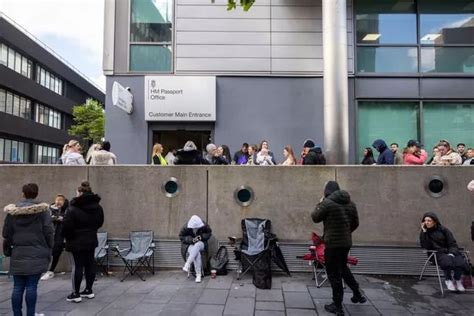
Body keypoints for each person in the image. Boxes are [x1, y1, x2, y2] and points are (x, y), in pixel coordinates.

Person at [311, 181, 365, 315]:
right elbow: (356, 223)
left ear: (327, 191)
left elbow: (315, 217)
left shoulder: (327, 203)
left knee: (334, 274)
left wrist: (320, 203)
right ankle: (357, 293)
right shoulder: (351, 204)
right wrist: (346, 233)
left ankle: (337, 305)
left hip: (332, 245)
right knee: (343, 268)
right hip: (346, 243)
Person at [2, 183, 54, 316]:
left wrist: (8, 250)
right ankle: (31, 314)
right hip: (37, 252)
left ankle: (17, 314)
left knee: (17, 287)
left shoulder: (12, 213)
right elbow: (48, 232)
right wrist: (50, 246)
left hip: (18, 252)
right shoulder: (43, 212)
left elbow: (6, 234)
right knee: (32, 286)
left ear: (23, 193)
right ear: (36, 194)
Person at [63, 181, 104, 303]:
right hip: (91, 238)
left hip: (75, 240)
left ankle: (75, 293)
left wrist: (67, 237)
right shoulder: (98, 207)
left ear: (80, 193)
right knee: (90, 264)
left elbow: (67, 226)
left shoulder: (73, 208)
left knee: (77, 266)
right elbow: (100, 222)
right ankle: (88, 290)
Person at [419, 212, 467, 292]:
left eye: (429, 220)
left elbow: (452, 243)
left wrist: (452, 252)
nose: (426, 222)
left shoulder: (444, 230)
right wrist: (424, 232)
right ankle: (448, 280)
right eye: (425, 220)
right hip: (436, 253)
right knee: (447, 262)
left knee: (460, 263)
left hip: (450, 251)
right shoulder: (424, 232)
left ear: (435, 221)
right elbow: (426, 246)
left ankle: (457, 280)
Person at [41, 194, 69, 281]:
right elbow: (45, 220)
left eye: (61, 200)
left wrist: (62, 219)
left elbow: (68, 219)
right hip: (50, 234)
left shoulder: (67, 209)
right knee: (46, 252)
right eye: (57, 199)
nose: (58, 201)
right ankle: (44, 270)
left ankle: (51, 270)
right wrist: (53, 218)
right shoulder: (50, 209)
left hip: (60, 235)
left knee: (56, 252)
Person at [179, 215, 212, 283]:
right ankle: (198, 275)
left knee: (197, 245)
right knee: (197, 254)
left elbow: (209, 233)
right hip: (189, 245)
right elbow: (181, 237)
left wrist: (201, 237)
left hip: (201, 243)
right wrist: (191, 240)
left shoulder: (204, 225)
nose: (196, 228)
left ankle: (187, 264)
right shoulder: (186, 227)